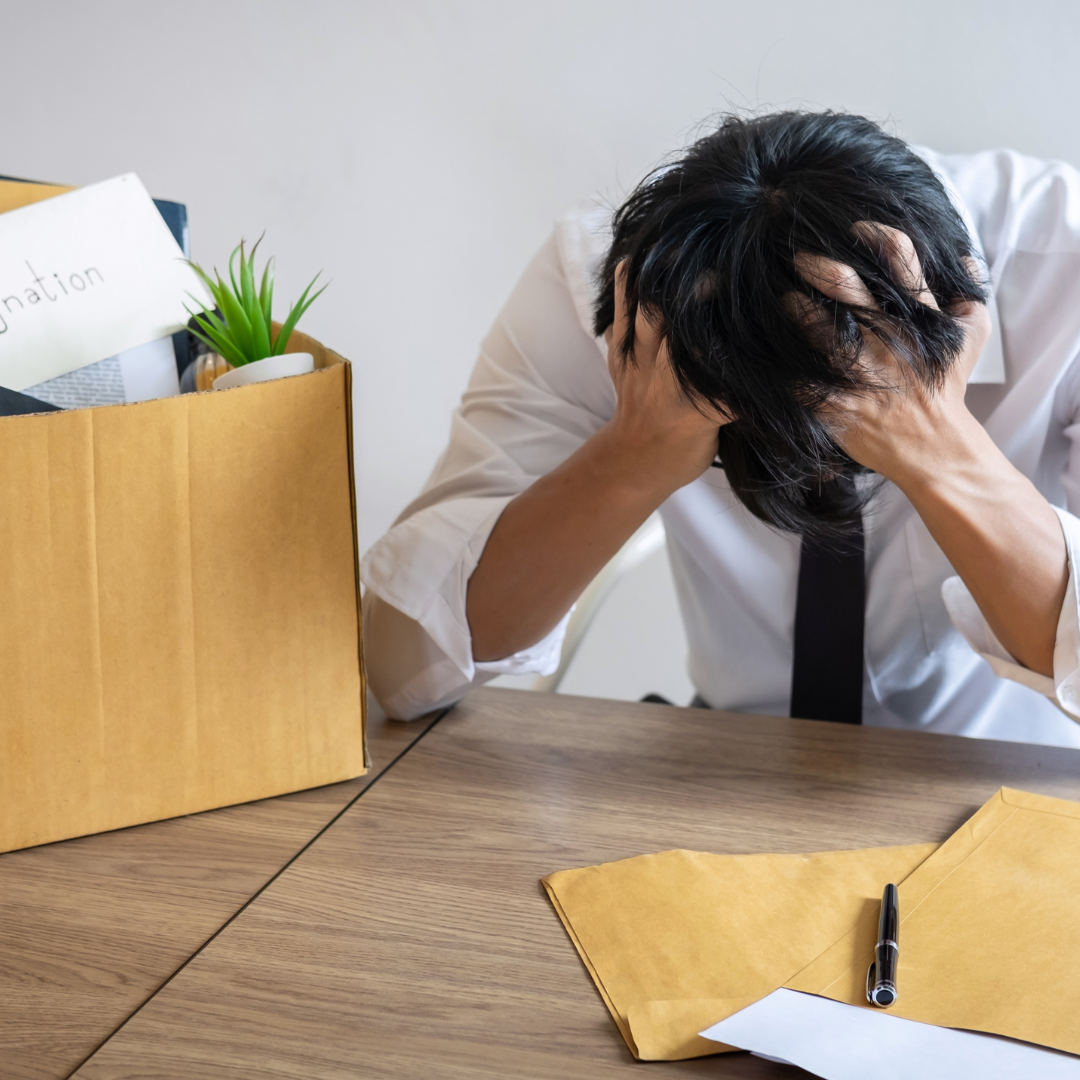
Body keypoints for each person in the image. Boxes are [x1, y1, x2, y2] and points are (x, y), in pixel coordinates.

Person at [361, 110, 1080, 747]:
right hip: (734, 766)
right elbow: (401, 669)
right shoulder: (619, 290)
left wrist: (938, 448)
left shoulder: (1064, 257)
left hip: (1017, 780)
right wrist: (637, 454)